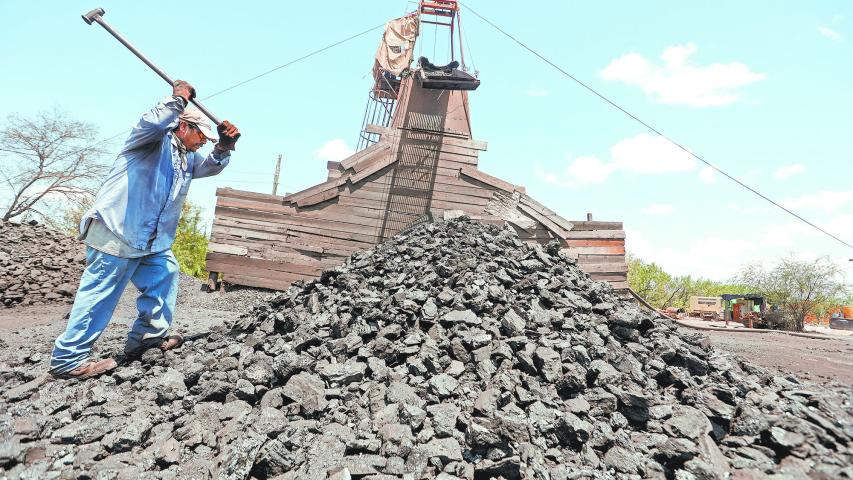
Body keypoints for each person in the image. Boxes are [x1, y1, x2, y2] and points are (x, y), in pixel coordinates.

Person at [49, 80, 240, 379]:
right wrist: (176, 100)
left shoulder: (186, 158)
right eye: (201, 136)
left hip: (148, 242)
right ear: (183, 127)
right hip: (117, 232)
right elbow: (152, 122)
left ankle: (146, 339)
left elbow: (210, 166)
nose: (202, 143)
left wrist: (223, 146)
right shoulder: (150, 141)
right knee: (100, 294)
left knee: (165, 274)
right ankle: (67, 360)